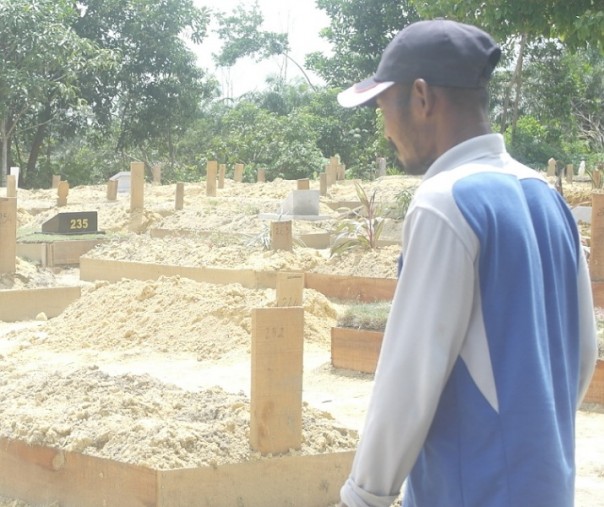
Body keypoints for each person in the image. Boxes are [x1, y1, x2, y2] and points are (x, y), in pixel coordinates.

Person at [336, 19, 598, 507]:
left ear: (421, 97)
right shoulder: (546, 198)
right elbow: (582, 352)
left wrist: (364, 496)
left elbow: (409, 377)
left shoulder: (445, 203)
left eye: (382, 107)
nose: (385, 129)